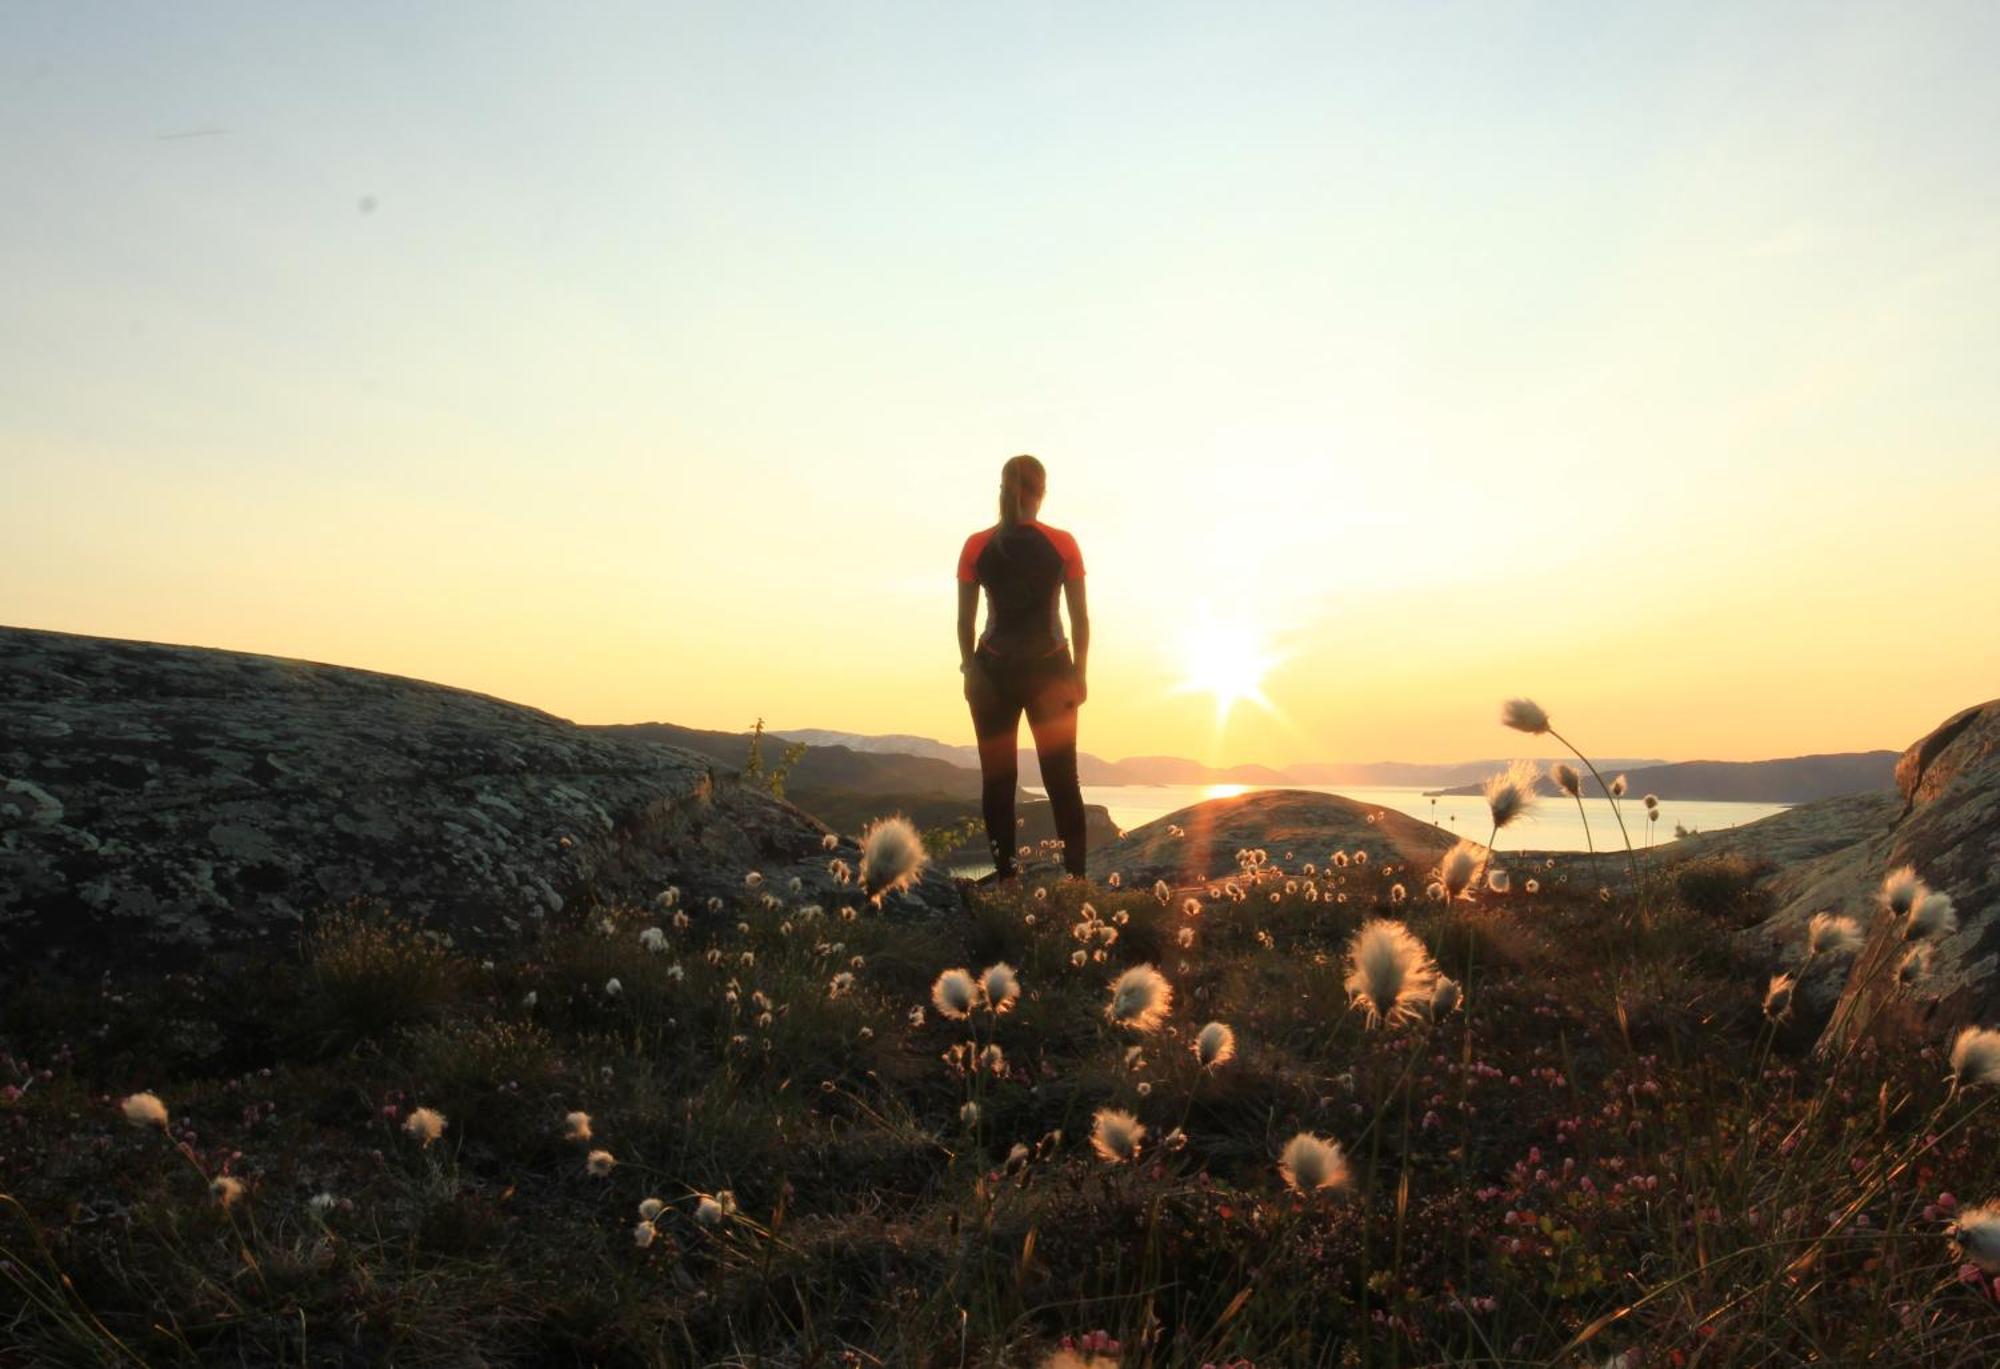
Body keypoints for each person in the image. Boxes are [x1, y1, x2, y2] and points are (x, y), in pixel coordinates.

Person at [956, 454, 1090, 881]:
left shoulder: (978, 545)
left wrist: (970, 671)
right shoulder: (1062, 543)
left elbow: (965, 622)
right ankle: (1077, 883)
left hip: (991, 674)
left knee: (998, 783)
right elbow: (1080, 620)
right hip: (1052, 674)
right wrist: (1080, 675)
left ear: (1001, 488)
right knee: (1062, 782)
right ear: (1043, 491)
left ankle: (1007, 881)